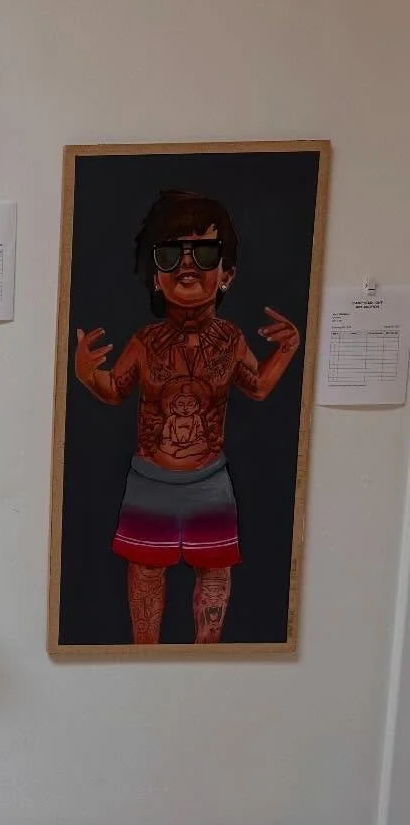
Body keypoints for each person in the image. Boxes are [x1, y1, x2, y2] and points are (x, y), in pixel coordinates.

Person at [73, 190, 301, 643]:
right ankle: (144, 660)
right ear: (156, 277)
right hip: (150, 481)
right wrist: (86, 374)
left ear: (227, 273)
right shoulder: (145, 341)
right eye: (170, 254)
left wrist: (287, 350)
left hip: (209, 481)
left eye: (205, 253)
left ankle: (206, 663)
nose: (187, 265)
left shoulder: (230, 340)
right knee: (145, 573)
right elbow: (115, 390)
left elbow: (257, 387)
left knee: (215, 573)